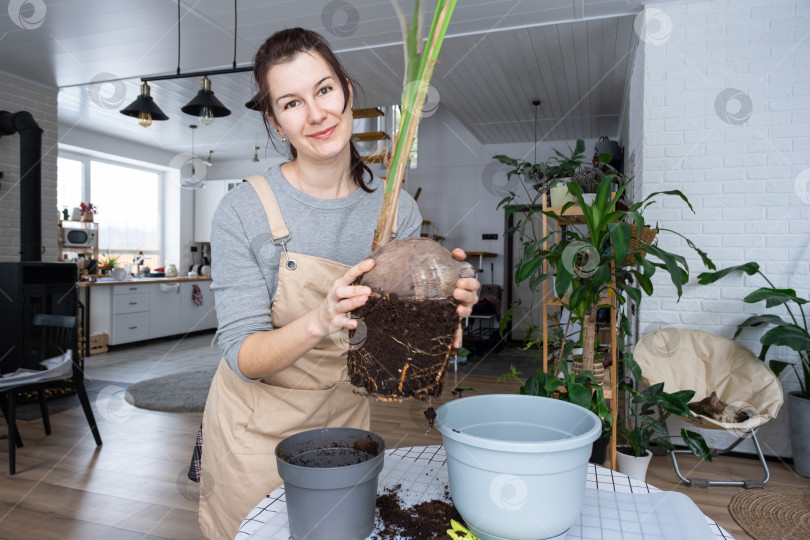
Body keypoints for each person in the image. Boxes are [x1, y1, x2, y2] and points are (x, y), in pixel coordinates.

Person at [198, 27, 480, 539]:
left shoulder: (397, 214)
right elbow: (242, 354)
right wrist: (321, 319)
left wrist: (446, 308)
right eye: (291, 103)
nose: (316, 114)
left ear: (347, 91)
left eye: (324, 90)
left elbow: (399, 340)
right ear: (275, 121)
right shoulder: (244, 210)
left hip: (346, 424)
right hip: (254, 432)